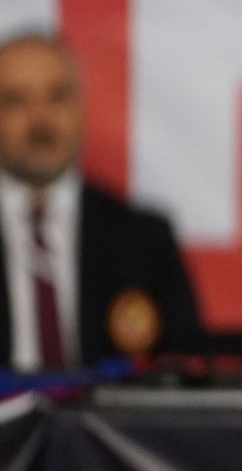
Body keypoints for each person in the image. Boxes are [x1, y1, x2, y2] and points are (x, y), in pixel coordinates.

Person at [0, 30, 201, 370]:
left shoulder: (143, 239)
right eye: (16, 100)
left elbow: (185, 369)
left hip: (106, 408)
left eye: (57, 96)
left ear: (81, 107)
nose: (40, 120)